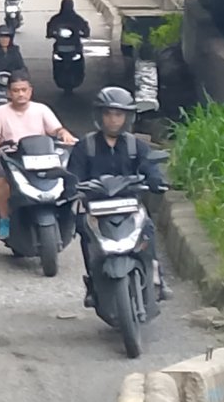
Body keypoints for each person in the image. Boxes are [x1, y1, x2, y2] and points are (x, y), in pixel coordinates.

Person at [67, 87, 170, 306]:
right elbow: (73, 174)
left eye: (118, 114)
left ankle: (156, 275)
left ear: (127, 117)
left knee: (148, 229)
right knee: (85, 232)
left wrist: (156, 180)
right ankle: (92, 281)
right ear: (99, 115)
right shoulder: (85, 146)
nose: (113, 120)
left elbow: (150, 166)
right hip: (97, 208)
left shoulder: (135, 145)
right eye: (108, 114)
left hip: (130, 205)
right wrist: (71, 188)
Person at [0, 70, 77, 240]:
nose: (20, 94)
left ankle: (66, 215)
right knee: (1, 181)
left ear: (30, 91)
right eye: (16, 90)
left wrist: (64, 133)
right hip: (10, 157)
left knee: (67, 178)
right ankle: (4, 219)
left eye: (24, 90)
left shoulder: (41, 109)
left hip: (40, 157)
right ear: (9, 93)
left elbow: (56, 129)